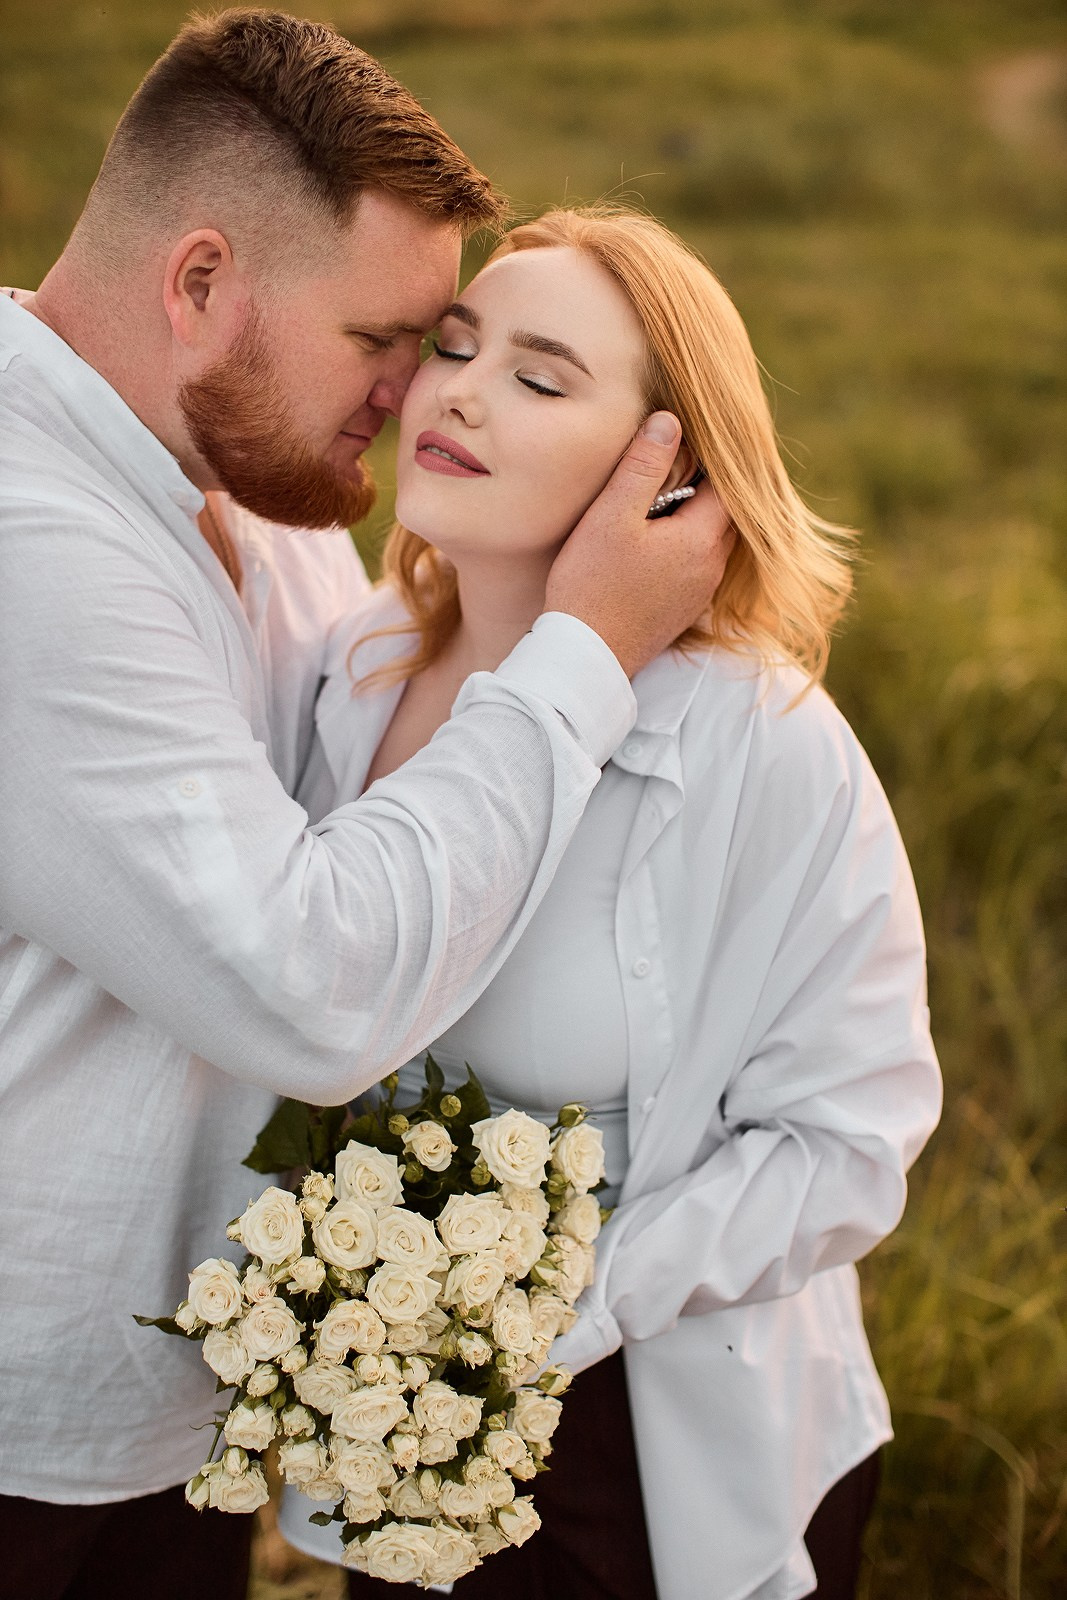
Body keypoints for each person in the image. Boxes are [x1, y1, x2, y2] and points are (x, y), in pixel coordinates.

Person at [0, 13, 732, 1599]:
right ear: (200, 285)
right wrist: (590, 641)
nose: (416, 399)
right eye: (386, 340)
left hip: (181, 1428)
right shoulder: (29, 546)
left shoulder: (264, 489)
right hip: (24, 1451)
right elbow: (312, 979)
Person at [278, 206, 943, 1600]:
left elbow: (851, 1139)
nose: (457, 390)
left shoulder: (757, 741)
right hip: (399, 1419)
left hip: (654, 1445)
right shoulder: (357, 669)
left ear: (668, 469)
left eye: (539, 375)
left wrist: (549, 1306)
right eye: (455, 346)